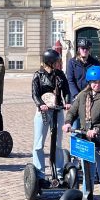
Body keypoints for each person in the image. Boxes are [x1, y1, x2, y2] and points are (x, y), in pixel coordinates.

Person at [62, 66, 100, 200]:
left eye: (99, 82)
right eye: (93, 81)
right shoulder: (82, 96)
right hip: (86, 142)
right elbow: (72, 111)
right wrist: (68, 122)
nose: (96, 84)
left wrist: (97, 129)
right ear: (89, 82)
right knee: (88, 176)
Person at [31, 49, 71, 184]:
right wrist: (40, 104)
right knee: (38, 144)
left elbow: (66, 91)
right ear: (50, 62)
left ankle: (59, 173)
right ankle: (40, 174)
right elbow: (34, 94)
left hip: (57, 111)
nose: (59, 64)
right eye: (57, 61)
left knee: (58, 144)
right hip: (42, 112)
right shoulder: (38, 75)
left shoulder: (60, 75)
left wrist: (68, 102)